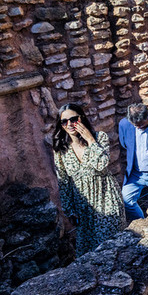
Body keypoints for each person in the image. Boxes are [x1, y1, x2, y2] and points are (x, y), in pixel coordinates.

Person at [52, 103, 126, 257]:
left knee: (111, 246)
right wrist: (69, 209)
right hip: (83, 205)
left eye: (73, 119)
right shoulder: (61, 148)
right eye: (64, 121)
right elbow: (64, 180)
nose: (70, 124)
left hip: (106, 199)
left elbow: (102, 165)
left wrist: (90, 140)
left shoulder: (100, 138)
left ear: (82, 118)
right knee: (89, 251)